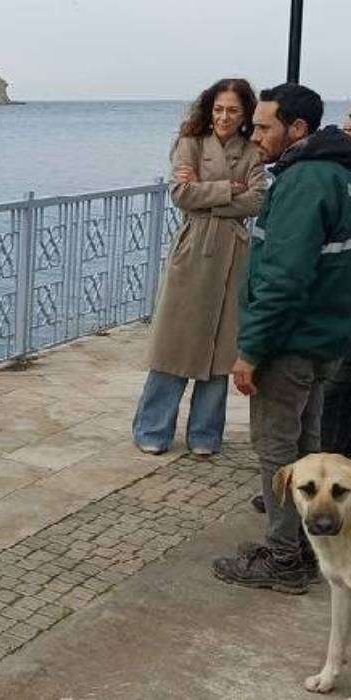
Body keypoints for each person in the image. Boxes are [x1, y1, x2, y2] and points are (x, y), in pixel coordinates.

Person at [212, 83, 351, 594]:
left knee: (277, 450)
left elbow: (285, 279)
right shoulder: (340, 174)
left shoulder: (305, 181)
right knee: (308, 446)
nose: (255, 134)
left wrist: (251, 350)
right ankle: (303, 545)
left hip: (290, 343)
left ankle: (285, 558)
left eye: (265, 125)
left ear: (298, 129)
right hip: (325, 339)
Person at [132, 78, 264, 456]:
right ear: (209, 109)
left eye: (233, 110)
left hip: (233, 253)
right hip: (193, 249)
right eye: (218, 109)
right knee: (173, 342)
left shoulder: (252, 151)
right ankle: (152, 428)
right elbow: (180, 195)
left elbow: (256, 202)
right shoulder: (189, 144)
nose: (224, 116)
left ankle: (206, 434)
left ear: (245, 115)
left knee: (222, 347)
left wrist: (208, 192)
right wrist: (230, 189)